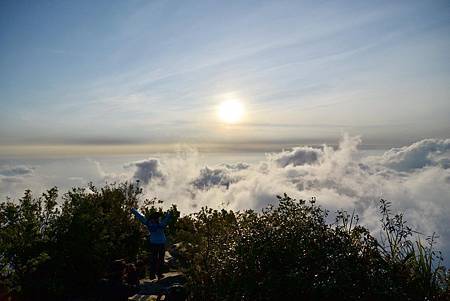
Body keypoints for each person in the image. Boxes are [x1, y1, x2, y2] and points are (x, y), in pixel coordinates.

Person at [131, 208, 171, 280]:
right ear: (157, 218)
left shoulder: (148, 223)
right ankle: (159, 274)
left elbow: (140, 217)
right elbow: (166, 221)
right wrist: (168, 214)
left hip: (153, 243)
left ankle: (152, 275)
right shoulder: (160, 224)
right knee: (161, 259)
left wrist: (134, 211)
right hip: (161, 243)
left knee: (153, 259)